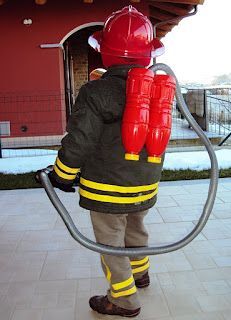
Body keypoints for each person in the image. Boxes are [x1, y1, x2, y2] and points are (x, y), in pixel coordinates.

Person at [37, 6, 165, 317]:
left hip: (106, 188)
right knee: (137, 229)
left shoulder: (96, 91)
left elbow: (79, 140)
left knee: (111, 244)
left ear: (105, 52)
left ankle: (123, 300)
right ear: (147, 53)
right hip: (145, 184)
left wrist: (61, 175)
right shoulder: (155, 90)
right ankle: (141, 274)